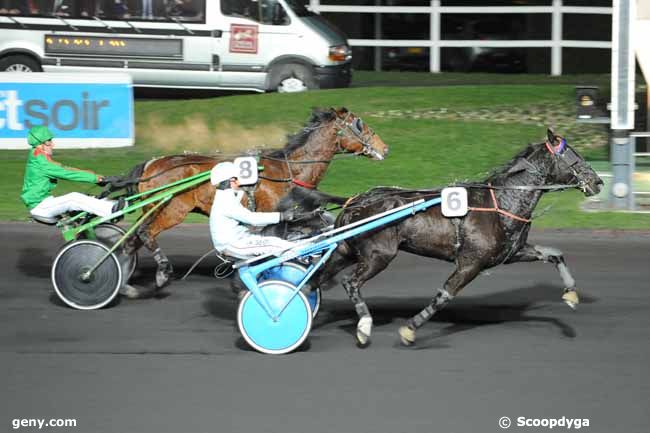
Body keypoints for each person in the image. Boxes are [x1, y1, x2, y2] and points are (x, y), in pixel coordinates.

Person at [21, 126, 123, 222]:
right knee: (74, 198)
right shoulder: (40, 161)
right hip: (40, 207)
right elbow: (67, 173)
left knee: (88, 198)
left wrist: (93, 175)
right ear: (40, 144)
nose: (53, 145)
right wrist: (97, 179)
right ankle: (112, 210)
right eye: (49, 142)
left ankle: (113, 204)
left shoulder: (39, 157)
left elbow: (65, 168)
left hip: (45, 202)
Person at [209, 161, 304, 259]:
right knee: (280, 245)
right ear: (232, 180)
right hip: (232, 245)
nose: (242, 181)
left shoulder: (226, 196)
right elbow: (252, 219)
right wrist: (282, 216)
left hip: (240, 240)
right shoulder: (225, 201)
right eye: (239, 178)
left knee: (285, 239)